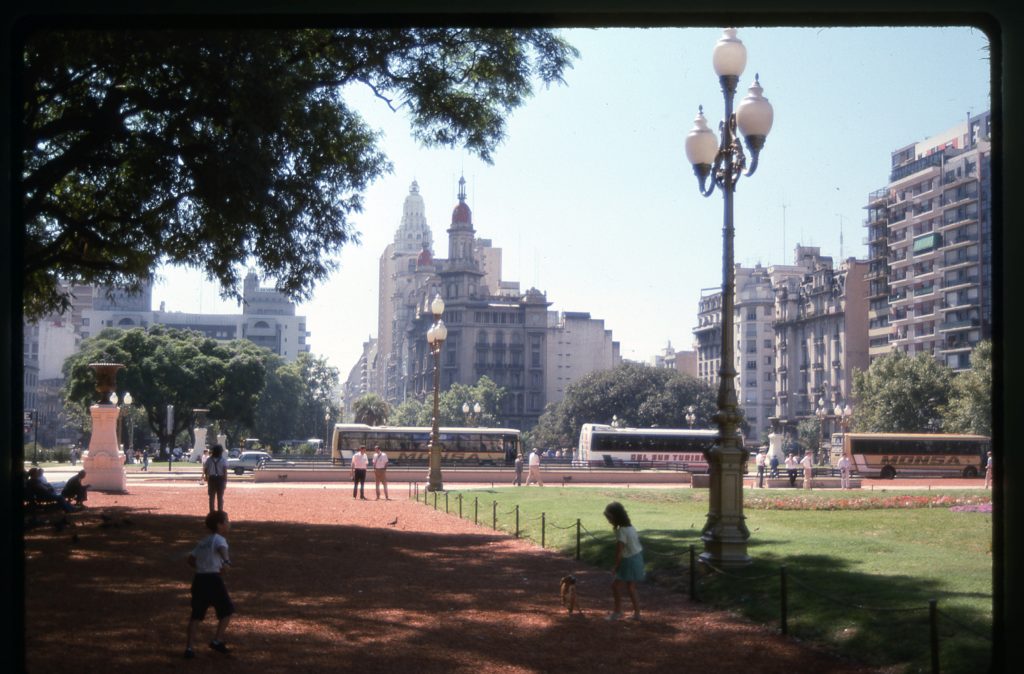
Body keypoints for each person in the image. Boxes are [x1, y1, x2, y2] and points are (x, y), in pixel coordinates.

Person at [184, 510, 234, 659]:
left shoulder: (203, 541)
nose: (229, 524)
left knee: (196, 615)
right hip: (213, 580)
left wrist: (203, 567)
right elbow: (222, 549)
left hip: (199, 579)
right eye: (226, 521)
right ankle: (217, 640)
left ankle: (189, 648)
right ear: (219, 525)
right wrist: (226, 561)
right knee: (227, 610)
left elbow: (191, 560)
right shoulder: (219, 539)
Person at [603, 501, 643, 621]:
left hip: (629, 561)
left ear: (616, 517)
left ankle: (617, 612)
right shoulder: (631, 528)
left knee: (615, 586)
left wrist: (616, 566)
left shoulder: (622, 531)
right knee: (631, 587)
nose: (609, 520)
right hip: (637, 558)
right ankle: (637, 614)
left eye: (609, 518)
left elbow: (619, 551)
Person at [204, 445, 228, 513]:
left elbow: (205, 469)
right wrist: (225, 481)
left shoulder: (209, 460)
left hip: (211, 478)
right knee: (220, 497)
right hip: (220, 479)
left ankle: (212, 511)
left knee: (211, 497)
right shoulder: (223, 460)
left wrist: (206, 477)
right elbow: (225, 471)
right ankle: (220, 511)